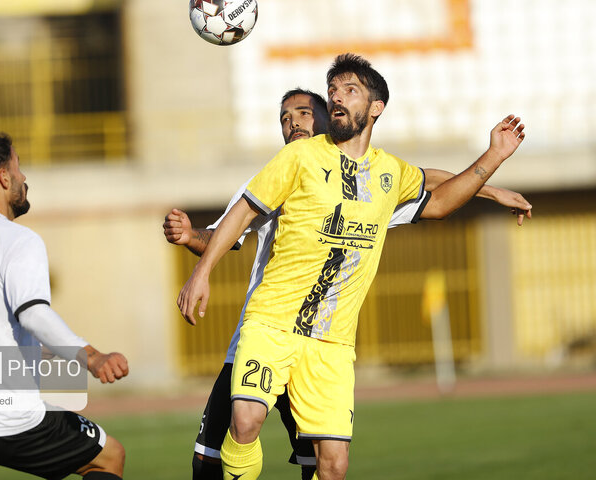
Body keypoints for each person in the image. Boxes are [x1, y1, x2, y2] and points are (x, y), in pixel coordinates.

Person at [177, 54, 527, 480]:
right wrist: (202, 273)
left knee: (333, 466)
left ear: (376, 106)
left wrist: (493, 159)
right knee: (244, 422)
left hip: (332, 344)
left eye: (349, 90)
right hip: (271, 324)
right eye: (333, 90)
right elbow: (242, 213)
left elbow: (438, 199)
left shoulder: (387, 174)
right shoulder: (299, 157)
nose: (337, 97)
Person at [0, 133, 130, 480]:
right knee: (109, 456)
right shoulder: (19, 239)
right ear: (3, 178)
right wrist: (92, 356)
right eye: (18, 169)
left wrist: (57, 350)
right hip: (3, 416)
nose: (24, 179)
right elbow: (32, 314)